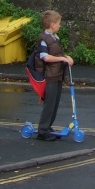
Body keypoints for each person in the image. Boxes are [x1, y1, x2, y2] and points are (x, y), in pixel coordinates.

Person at [35, 9, 74, 140]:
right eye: (58, 23)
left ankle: (48, 126)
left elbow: (56, 54)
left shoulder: (54, 38)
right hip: (49, 76)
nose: (59, 25)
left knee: (55, 103)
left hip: (57, 74)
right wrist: (62, 59)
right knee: (49, 104)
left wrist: (66, 57)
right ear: (52, 25)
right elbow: (45, 57)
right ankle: (43, 131)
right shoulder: (43, 39)